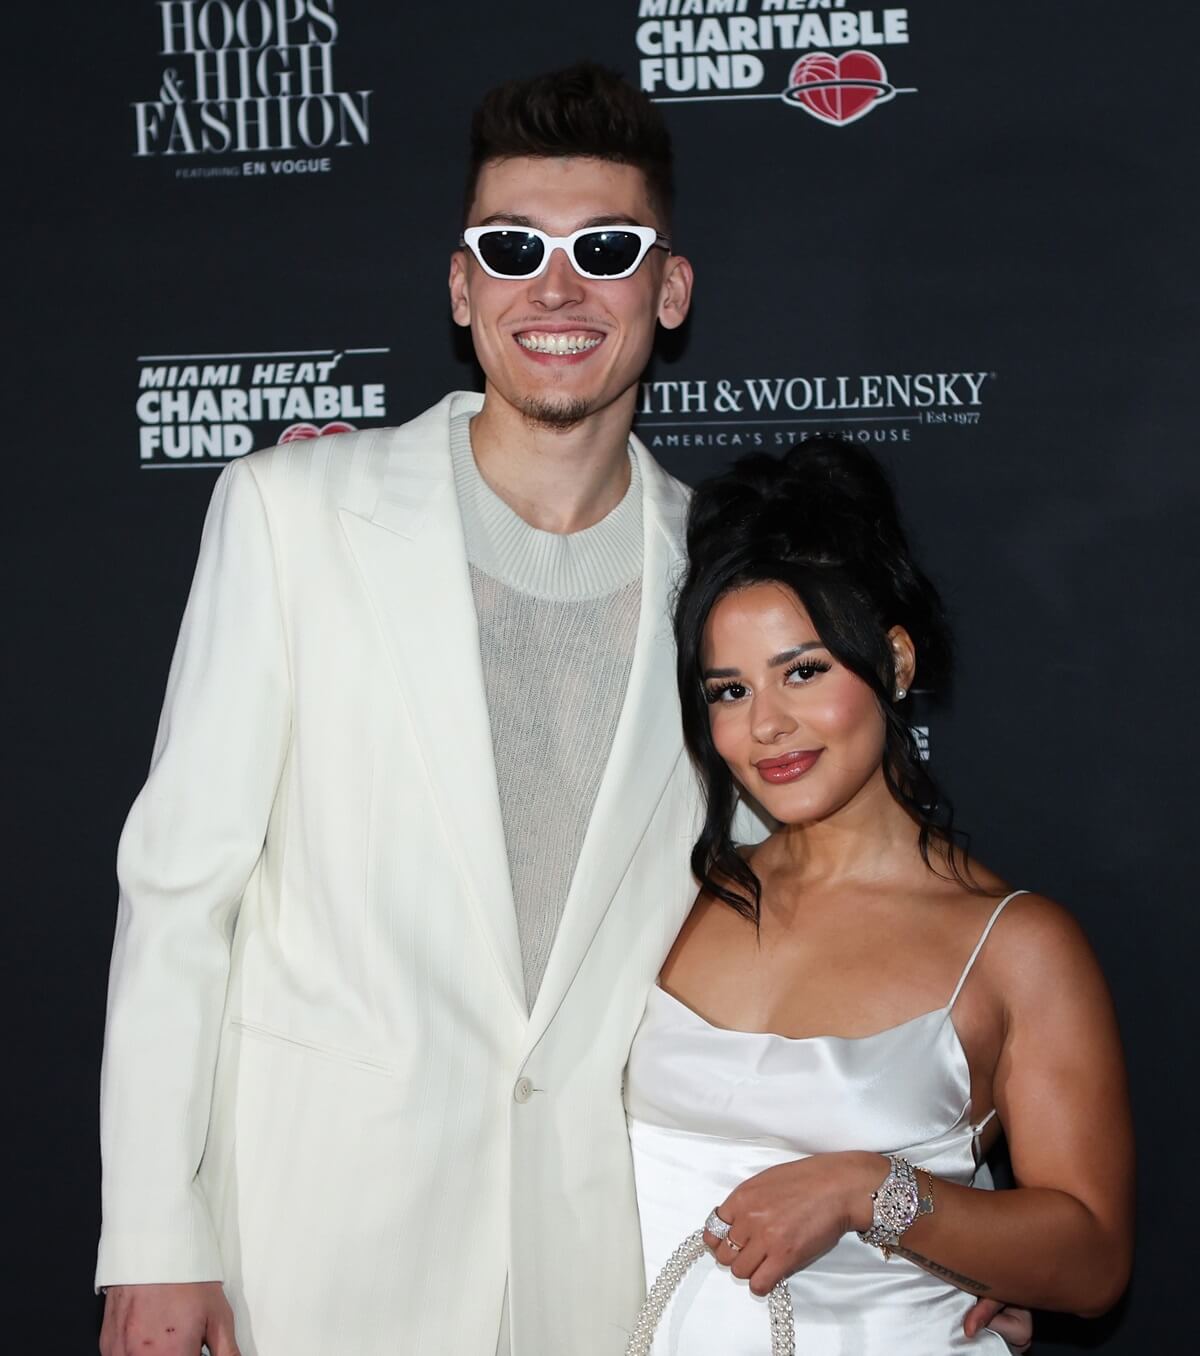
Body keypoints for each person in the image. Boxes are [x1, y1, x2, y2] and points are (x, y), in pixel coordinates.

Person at [95, 64, 1027, 1356]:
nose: (557, 286)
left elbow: (809, 934)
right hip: (311, 1255)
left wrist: (944, 1234)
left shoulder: (726, 583)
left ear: (669, 289)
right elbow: (179, 896)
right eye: (512, 247)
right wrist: (154, 1240)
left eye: (605, 248)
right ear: (463, 285)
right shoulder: (290, 518)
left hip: (601, 1264)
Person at [624, 437, 1134, 1353]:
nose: (766, 723)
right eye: (729, 689)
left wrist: (870, 1190)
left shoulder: (1017, 947)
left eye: (805, 670)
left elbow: (1092, 1262)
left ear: (895, 664)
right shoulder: (677, 897)